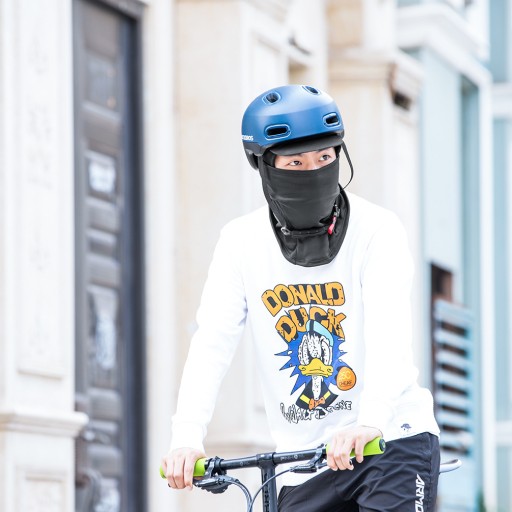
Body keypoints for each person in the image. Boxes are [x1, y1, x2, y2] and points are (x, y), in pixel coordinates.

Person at [162, 84, 440, 511]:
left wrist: (370, 421)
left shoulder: (377, 230)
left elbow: (390, 335)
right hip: (304, 462)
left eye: (325, 158)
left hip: (389, 439)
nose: (313, 170)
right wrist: (186, 437)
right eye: (295, 162)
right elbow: (212, 341)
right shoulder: (240, 242)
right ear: (265, 166)